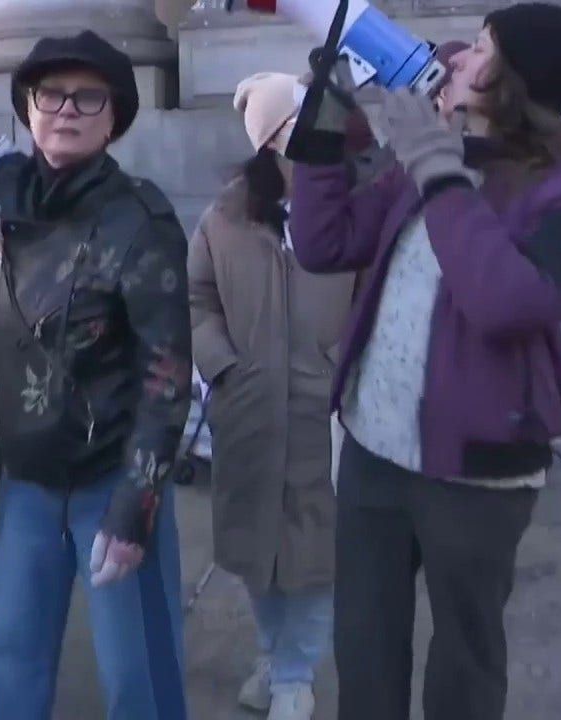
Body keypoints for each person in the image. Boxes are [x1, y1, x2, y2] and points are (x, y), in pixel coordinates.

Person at [285, 6, 561, 720]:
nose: (456, 54)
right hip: (373, 450)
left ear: (519, 84)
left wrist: (435, 164)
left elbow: (509, 300)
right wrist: (329, 112)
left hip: (479, 470)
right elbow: (322, 242)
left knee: (465, 659)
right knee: (365, 648)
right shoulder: (431, 162)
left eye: (483, 50)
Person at [0, 30, 192, 720]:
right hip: (25, 479)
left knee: (137, 672)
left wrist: (136, 506)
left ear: (114, 115)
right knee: (9, 656)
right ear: (27, 106)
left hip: (110, 476)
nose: (66, 108)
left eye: (88, 96)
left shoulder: (139, 218)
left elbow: (167, 372)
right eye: (50, 93)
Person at [188, 71, 356, 720]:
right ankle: (270, 652)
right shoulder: (225, 217)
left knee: (317, 551)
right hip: (250, 405)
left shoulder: (352, 207)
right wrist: (221, 365)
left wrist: (347, 366)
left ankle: (294, 674)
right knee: (256, 547)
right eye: (300, 127)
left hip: (327, 407)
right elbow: (198, 299)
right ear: (272, 139)